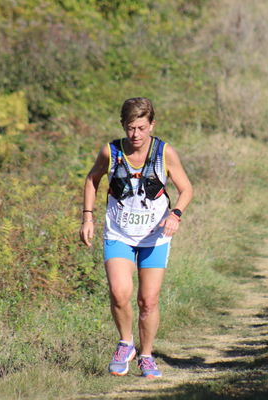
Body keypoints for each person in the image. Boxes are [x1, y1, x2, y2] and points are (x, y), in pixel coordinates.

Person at [80, 97, 193, 378]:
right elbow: (93, 179)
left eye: (142, 128)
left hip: (155, 237)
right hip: (119, 233)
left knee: (148, 301)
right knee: (120, 293)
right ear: (123, 126)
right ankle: (126, 343)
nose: (136, 135)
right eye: (131, 128)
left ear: (152, 125)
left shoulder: (165, 153)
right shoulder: (111, 151)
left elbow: (187, 189)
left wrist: (175, 214)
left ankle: (146, 355)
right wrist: (87, 217)